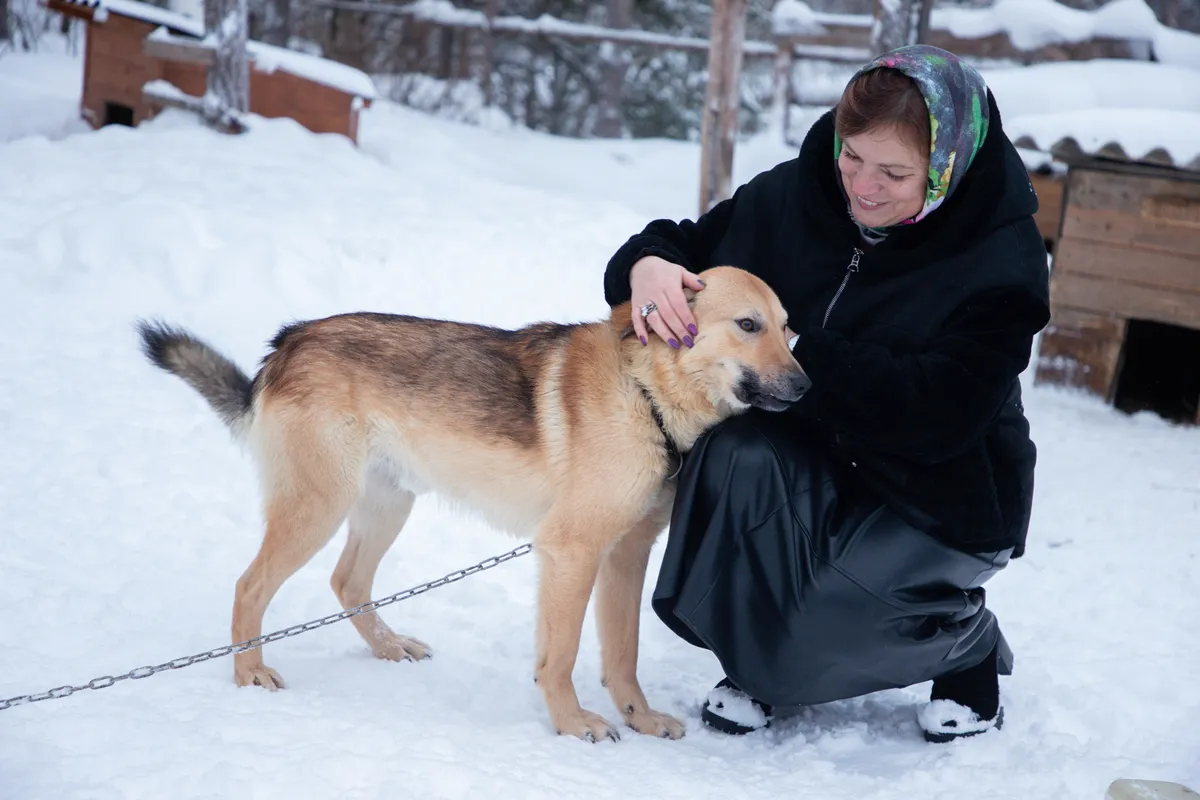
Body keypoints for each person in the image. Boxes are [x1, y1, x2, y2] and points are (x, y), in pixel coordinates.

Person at [601, 44, 1050, 742]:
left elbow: (944, 412)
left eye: (895, 173)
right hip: (811, 457)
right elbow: (687, 247)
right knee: (733, 451)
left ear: (947, 165)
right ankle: (762, 659)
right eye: (852, 159)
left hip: (938, 493)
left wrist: (795, 351)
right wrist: (648, 265)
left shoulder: (1001, 256)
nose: (863, 188)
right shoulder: (795, 193)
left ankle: (965, 642)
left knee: (805, 659)